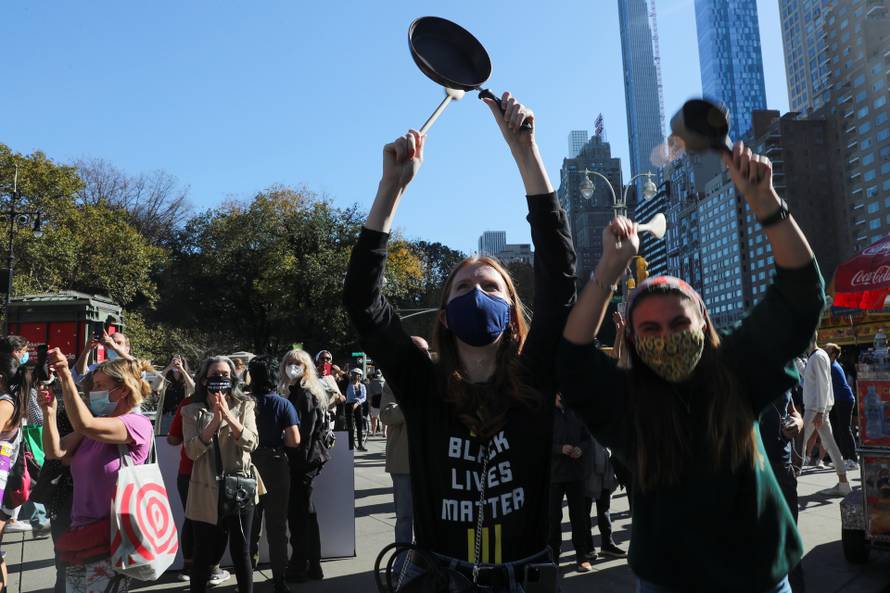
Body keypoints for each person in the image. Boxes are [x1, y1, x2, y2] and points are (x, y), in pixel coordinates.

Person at [559, 141, 825, 593]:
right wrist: (608, 268)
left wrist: (766, 202)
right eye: (651, 329)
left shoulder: (736, 372)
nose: (667, 336)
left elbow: (802, 297)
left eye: (679, 322)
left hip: (758, 578)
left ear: (703, 321)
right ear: (633, 339)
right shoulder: (627, 402)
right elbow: (572, 360)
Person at [343, 92, 575, 591]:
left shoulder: (534, 378)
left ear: (512, 315)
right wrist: (390, 190)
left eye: (491, 288)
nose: (477, 293)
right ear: (444, 317)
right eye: (464, 287)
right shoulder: (423, 386)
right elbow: (363, 302)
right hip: (438, 580)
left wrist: (524, 153)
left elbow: (559, 279)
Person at [40, 350, 154, 593]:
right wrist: (49, 413)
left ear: (123, 389)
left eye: (101, 385)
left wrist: (65, 376)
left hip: (112, 536)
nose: (94, 392)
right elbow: (55, 452)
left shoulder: (136, 424)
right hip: (81, 534)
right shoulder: (96, 427)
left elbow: (84, 423)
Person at [181, 356, 261, 593]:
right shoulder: (190, 410)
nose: (221, 379)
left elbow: (252, 442)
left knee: (241, 552)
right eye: (215, 375)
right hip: (205, 490)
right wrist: (215, 421)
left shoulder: (245, 405)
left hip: (239, 489)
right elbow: (191, 451)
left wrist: (228, 417)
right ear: (204, 380)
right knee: (203, 554)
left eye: (226, 375)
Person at [167, 392, 231, 586]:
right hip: (205, 472)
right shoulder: (190, 405)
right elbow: (174, 438)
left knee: (193, 519)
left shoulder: (187, 403)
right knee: (216, 520)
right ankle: (211, 568)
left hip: (190, 471)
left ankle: (192, 567)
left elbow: (172, 438)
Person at [248, 355, 300, 593]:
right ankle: (280, 578)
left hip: (249, 464)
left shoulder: (244, 402)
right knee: (277, 525)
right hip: (276, 463)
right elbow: (294, 440)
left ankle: (247, 573)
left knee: (250, 523)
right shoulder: (283, 404)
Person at [278, 349, 328, 582]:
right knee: (304, 513)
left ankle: (301, 564)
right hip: (304, 461)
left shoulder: (304, 395)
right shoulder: (297, 392)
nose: (292, 367)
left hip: (302, 462)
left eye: (297, 363)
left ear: (306, 367)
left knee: (300, 515)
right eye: (289, 362)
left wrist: (288, 452)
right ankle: (310, 564)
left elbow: (303, 435)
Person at [380, 336, 429, 547]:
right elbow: (386, 415)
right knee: (404, 518)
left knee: (429, 520)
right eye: (419, 350)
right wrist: (413, 401)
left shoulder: (437, 379)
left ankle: (427, 564)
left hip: (431, 463)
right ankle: (402, 567)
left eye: (426, 351)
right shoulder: (393, 382)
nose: (425, 355)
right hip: (403, 464)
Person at [760, 390, 805, 592]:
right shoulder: (737, 365)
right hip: (753, 470)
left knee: (789, 543)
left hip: (782, 469)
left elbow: (793, 410)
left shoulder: (783, 368)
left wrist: (798, 422)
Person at [549, 394, 593, 572]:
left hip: (576, 473)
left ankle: (582, 556)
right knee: (553, 519)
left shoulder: (576, 410)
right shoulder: (546, 413)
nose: (561, 396)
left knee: (579, 517)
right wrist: (560, 449)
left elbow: (587, 438)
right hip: (554, 475)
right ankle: (553, 558)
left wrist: (580, 449)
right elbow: (540, 441)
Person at [802, 335, 850, 496]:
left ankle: (788, 482)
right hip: (818, 408)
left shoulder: (817, 357)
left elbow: (823, 384)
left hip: (815, 408)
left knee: (798, 443)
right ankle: (843, 483)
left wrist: (821, 411)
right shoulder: (817, 356)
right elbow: (813, 379)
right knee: (830, 444)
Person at [582, 434, 625, 561]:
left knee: (604, 508)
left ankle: (607, 543)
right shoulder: (580, 417)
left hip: (605, 466)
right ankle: (587, 546)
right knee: (585, 510)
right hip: (587, 467)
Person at [824, 343, 858, 470]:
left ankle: (853, 459)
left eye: (826, 350)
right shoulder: (831, 365)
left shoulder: (832, 366)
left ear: (833, 354)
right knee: (838, 430)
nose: (824, 352)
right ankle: (843, 458)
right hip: (838, 400)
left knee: (845, 429)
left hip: (844, 400)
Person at [159, 354, 195, 435]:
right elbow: (155, 387)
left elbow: (193, 388)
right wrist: (168, 368)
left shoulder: (187, 378)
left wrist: (182, 369)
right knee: (164, 439)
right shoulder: (165, 379)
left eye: (179, 362)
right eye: (174, 361)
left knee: (183, 438)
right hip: (167, 415)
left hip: (184, 415)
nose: (176, 364)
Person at [344, 369, 367, 451]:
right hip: (349, 405)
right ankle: (350, 446)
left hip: (358, 405)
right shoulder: (348, 384)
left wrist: (357, 403)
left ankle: (360, 445)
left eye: (357, 374)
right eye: (353, 374)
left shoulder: (363, 386)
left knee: (359, 426)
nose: (354, 375)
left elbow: (364, 397)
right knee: (350, 427)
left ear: (360, 376)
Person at [367, 370, 385, 438]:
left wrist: (369, 403)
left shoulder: (372, 382)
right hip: (382, 401)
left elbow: (370, 394)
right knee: (383, 419)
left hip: (375, 402)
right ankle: (384, 433)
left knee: (374, 418)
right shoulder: (385, 382)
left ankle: (374, 432)